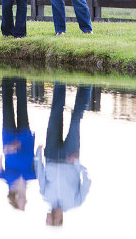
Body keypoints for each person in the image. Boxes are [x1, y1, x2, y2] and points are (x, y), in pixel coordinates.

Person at [34, 83, 93, 226]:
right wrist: (77, 163)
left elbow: (40, 174)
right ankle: (87, 84)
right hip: (70, 158)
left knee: (55, 114)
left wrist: (38, 155)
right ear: (58, 219)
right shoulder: (75, 202)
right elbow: (87, 182)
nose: (48, 216)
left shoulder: (45, 196)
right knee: (76, 118)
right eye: (50, 219)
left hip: (51, 155)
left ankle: (60, 81)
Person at [0, 77, 36, 210]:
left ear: (16, 199)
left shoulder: (6, 178)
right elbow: (39, 163)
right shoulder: (32, 177)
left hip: (9, 138)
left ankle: (6, 79)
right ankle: (21, 79)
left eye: (22, 205)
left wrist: (7, 149)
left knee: (7, 107)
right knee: (22, 106)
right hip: (25, 139)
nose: (25, 203)